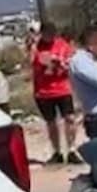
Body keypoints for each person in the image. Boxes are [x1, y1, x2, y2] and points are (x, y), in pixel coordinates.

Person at [31, 21, 78, 164]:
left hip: (62, 89)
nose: (50, 36)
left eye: (52, 33)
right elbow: (33, 66)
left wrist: (61, 63)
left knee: (70, 119)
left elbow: (71, 63)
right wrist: (42, 62)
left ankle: (71, 150)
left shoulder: (62, 45)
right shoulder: (36, 47)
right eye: (46, 34)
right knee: (51, 123)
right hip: (44, 91)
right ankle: (56, 152)